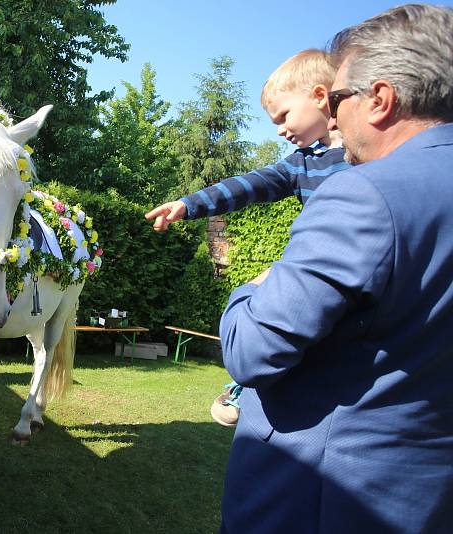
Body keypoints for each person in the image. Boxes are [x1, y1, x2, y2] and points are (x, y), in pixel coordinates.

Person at [218, 4, 453, 532]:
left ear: (380, 100)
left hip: (322, 498)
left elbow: (253, 352)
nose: (335, 118)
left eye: (340, 97)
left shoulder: (365, 195)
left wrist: (248, 289)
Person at [145, 49, 349, 427]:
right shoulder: (303, 160)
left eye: (284, 116)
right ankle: (246, 382)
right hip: (310, 262)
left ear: (320, 97)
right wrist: (188, 205)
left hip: (346, 263)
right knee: (270, 300)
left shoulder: (362, 153)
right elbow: (251, 185)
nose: (280, 131)